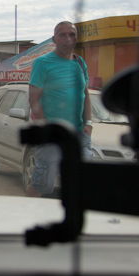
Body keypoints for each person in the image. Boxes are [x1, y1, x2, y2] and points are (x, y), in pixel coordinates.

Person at [25, 21, 93, 197]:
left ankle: (70, 218)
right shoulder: (42, 63)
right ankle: (24, 215)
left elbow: (85, 95)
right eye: (63, 35)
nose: (68, 39)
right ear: (54, 39)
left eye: (71, 34)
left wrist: (89, 123)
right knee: (43, 184)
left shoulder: (79, 62)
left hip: (78, 134)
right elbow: (33, 100)